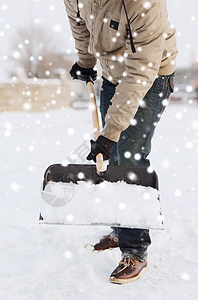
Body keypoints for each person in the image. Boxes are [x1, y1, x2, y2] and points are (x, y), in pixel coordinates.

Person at [63, 0, 178, 284]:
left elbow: (141, 71)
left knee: (129, 159)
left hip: (150, 77)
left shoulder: (143, 3)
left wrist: (110, 132)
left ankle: (135, 251)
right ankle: (122, 227)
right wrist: (86, 62)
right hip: (113, 75)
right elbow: (81, 26)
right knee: (112, 159)